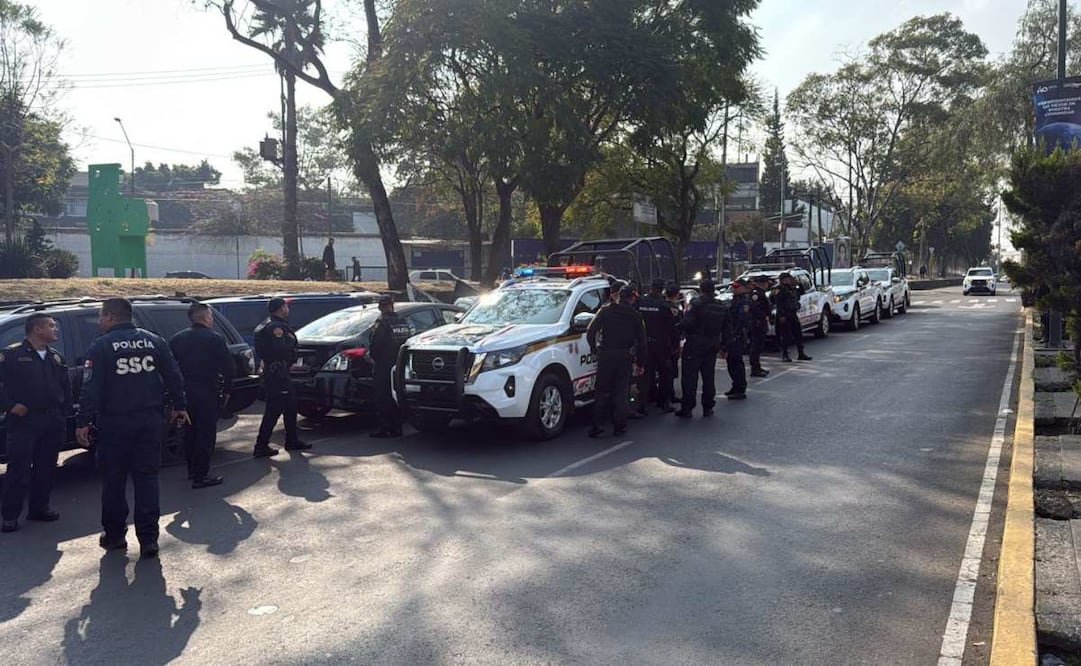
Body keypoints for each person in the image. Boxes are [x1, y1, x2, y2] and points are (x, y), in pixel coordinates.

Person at [75, 298, 189, 558]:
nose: (99, 321)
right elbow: (174, 376)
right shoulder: (154, 341)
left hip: (115, 423)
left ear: (111, 316)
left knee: (114, 480)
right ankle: (149, 539)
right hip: (149, 421)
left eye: (101, 316)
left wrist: (83, 421)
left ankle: (115, 536)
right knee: (147, 479)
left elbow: (91, 387)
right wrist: (180, 405)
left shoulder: (101, 345)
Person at [0, 314, 70, 533]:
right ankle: (10, 516)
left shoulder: (56, 357)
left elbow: (65, 388)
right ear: (37, 329)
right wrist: (9, 406)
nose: (56, 329)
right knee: (18, 470)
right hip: (24, 421)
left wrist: (63, 413)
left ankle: (39, 508)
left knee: (46, 468)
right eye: (51, 326)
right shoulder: (12, 355)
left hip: (51, 420)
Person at [169, 302, 235, 489]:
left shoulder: (176, 339)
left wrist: (174, 395)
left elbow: (170, 369)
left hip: (185, 392)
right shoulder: (215, 339)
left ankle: (191, 469)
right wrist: (227, 390)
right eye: (211, 316)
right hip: (207, 392)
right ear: (206, 318)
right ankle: (202, 475)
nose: (212, 319)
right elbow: (228, 367)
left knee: (189, 432)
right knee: (206, 434)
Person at [253, 297, 312, 457]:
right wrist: (290, 356)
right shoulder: (275, 327)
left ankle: (292, 440)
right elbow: (280, 350)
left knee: (291, 407)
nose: (288, 309)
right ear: (280, 308)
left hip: (278, 372)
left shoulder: (267, 324)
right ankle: (261, 445)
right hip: (278, 374)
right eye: (286, 306)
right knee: (273, 410)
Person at [586, 285, 647, 438]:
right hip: (624, 356)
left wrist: (594, 349)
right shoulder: (635, 315)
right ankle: (619, 426)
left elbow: (591, 331)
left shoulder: (605, 310)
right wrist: (641, 363)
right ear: (632, 298)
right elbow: (642, 341)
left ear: (619, 296)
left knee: (601, 391)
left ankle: (596, 426)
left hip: (606, 355)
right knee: (621, 391)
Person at [676, 278, 729, 418]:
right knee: (708, 376)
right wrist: (724, 347)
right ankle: (708, 406)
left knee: (690, 377)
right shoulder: (721, 306)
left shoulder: (696, 304)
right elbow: (727, 328)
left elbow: (687, 323)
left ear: (701, 289)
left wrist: (676, 329)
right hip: (713, 343)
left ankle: (687, 408)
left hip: (695, 343)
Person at [368, 295, 413, 438]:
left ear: (381, 307)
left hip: (383, 365)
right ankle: (398, 427)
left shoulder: (382, 324)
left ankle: (385, 427)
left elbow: (375, 345)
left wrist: (373, 358)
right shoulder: (402, 322)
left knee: (382, 396)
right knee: (396, 395)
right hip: (399, 364)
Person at [636, 278, 679, 415]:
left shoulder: (640, 302)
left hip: (644, 343)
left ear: (650, 287)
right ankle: (664, 403)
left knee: (644, 374)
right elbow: (672, 328)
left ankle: (642, 405)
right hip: (661, 345)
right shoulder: (665, 306)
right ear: (662, 289)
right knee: (665, 374)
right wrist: (675, 345)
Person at [773, 272, 812, 363]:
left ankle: (801, 353)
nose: (791, 280)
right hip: (784, 315)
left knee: (798, 334)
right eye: (789, 278)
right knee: (785, 335)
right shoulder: (779, 289)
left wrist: (799, 283)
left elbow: (800, 293)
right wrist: (782, 316)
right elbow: (779, 303)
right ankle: (785, 355)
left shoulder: (792, 288)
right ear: (783, 280)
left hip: (793, 313)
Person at [724, 279, 751, 400]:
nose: (733, 289)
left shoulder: (744, 301)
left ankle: (740, 388)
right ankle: (735, 385)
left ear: (743, 288)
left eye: (736, 287)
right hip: (732, 334)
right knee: (731, 362)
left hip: (738, 336)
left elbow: (741, 320)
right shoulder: (735, 299)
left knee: (736, 362)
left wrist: (735, 334)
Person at [664, 282, 684, 406]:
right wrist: (677, 345)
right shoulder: (675, 309)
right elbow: (678, 328)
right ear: (676, 295)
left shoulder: (661, 305)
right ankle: (668, 396)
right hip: (670, 343)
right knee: (669, 371)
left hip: (658, 342)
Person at [748, 275, 772, 378]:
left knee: (759, 346)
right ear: (762, 283)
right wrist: (763, 316)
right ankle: (755, 369)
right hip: (757, 323)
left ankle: (757, 367)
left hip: (761, 322)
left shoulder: (761, 293)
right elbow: (754, 308)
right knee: (756, 346)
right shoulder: (756, 294)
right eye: (766, 283)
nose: (767, 285)